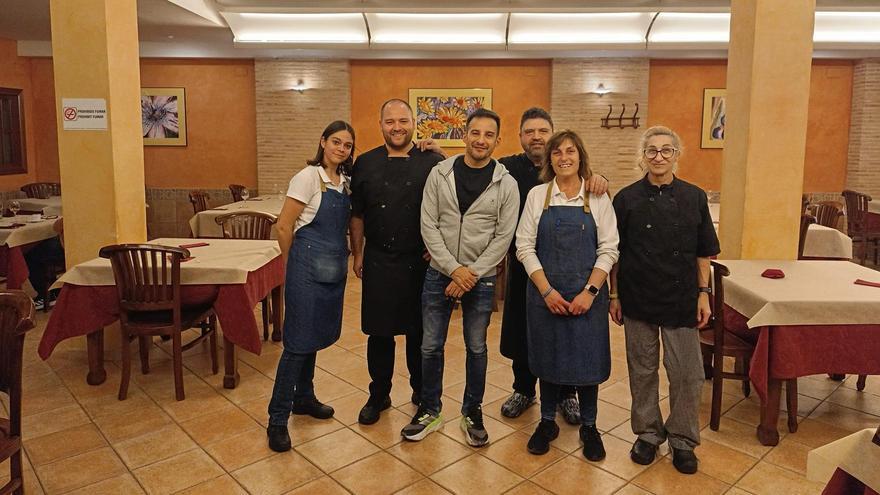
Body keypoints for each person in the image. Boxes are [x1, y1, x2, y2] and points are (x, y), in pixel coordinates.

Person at [401, 108, 519, 447]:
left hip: (480, 279)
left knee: (477, 347)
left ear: (497, 140)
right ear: (465, 135)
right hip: (439, 273)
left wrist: (471, 274)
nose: (481, 140)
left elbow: (503, 236)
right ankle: (430, 410)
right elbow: (429, 224)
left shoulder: (506, 183)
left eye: (488, 135)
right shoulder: (440, 173)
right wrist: (454, 269)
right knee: (430, 345)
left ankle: (472, 412)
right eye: (475, 133)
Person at [609, 125, 720, 474]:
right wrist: (614, 294)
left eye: (666, 150)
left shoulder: (694, 196)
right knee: (642, 371)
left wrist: (704, 294)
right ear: (642, 156)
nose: (658, 157)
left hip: (681, 297)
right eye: (652, 150)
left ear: (676, 155)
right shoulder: (625, 199)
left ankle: (683, 440)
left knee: (687, 374)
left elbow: (704, 253)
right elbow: (615, 252)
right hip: (637, 295)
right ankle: (647, 433)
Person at [498, 108, 608, 423]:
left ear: (552, 135)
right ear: (520, 137)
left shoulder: (576, 177)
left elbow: (604, 229)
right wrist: (435, 152)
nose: (536, 136)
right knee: (524, 331)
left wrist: (600, 178)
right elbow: (472, 165)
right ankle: (523, 389)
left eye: (542, 131)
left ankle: (567, 394)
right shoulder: (505, 169)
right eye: (529, 131)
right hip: (526, 267)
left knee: (568, 331)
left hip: (571, 270)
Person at [515, 130, 619, 460]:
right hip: (546, 295)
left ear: (580, 156)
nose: (564, 157)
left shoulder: (598, 198)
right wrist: (546, 291)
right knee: (548, 358)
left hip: (588, 297)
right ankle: (547, 422)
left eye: (570, 151)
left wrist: (590, 292)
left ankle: (590, 426)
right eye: (557, 152)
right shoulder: (537, 196)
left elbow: (609, 249)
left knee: (588, 361)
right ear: (550, 160)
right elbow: (524, 246)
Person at [350, 99, 445, 425]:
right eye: (390, 121)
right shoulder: (365, 162)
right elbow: (357, 213)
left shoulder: (432, 160)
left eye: (403, 121)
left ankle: (421, 393)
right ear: (381, 125)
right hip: (378, 259)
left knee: (419, 334)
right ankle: (379, 394)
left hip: (420, 261)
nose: (397, 127)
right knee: (379, 334)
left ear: (413, 123)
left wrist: (439, 248)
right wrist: (358, 252)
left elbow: (446, 210)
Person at [266, 120, 356, 452]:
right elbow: (283, 226)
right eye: (336, 142)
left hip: (331, 269)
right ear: (323, 142)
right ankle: (277, 419)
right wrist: (292, 266)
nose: (341, 149)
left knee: (314, 335)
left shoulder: (344, 182)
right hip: (304, 269)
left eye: (347, 145)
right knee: (297, 343)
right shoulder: (307, 178)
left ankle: (303, 397)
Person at [24, 218, 65, 310]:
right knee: (43, 246)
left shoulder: (74, 211)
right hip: (76, 245)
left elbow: (56, 227)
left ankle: (45, 295)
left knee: (30, 254)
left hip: (67, 247)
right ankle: (53, 291)